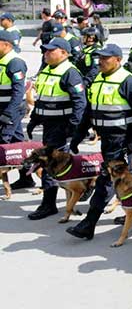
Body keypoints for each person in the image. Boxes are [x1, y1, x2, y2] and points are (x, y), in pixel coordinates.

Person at [65, 44, 132, 240]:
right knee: (125, 178)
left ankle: (89, 223)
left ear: (118, 60)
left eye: (106, 58)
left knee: (107, 180)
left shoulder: (128, 81)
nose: (100, 61)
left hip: (121, 140)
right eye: (99, 58)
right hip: (107, 139)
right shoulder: (98, 79)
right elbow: (90, 109)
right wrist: (79, 134)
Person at [26, 38, 87, 220]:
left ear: (64, 53)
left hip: (62, 126)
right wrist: (34, 119)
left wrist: (72, 127)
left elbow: (80, 103)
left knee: (50, 165)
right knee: (56, 165)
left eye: (51, 51)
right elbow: (43, 98)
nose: (46, 54)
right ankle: (79, 189)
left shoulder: (70, 73)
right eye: (45, 51)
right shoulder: (47, 71)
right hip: (49, 125)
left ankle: (48, 203)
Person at [0, 30, 27, 144]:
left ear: (6, 45)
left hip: (12, 107)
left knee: (3, 138)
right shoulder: (2, 59)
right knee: (16, 138)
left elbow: (19, 92)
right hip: (3, 106)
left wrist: (9, 113)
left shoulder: (15, 62)